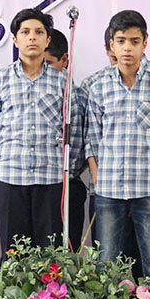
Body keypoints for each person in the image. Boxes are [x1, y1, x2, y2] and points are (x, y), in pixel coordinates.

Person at [85, 9, 150, 299]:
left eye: (134, 41)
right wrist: (99, 177)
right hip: (108, 191)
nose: (127, 48)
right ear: (111, 45)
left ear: (145, 43)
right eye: (121, 41)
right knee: (106, 268)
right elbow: (92, 139)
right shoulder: (98, 84)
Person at [0, 8, 79, 253]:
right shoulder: (0, 80)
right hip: (10, 179)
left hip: (52, 180)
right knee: (13, 254)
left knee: (51, 256)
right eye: (25, 32)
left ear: (47, 40)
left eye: (38, 32)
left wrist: (66, 169)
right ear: (15, 40)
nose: (32, 37)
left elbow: (75, 132)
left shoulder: (62, 82)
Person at [45, 29, 87, 252]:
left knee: (67, 253)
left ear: (64, 60)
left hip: (69, 185)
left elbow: (82, 144)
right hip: (38, 185)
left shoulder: (78, 95)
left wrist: (67, 172)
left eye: (49, 63)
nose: (43, 70)